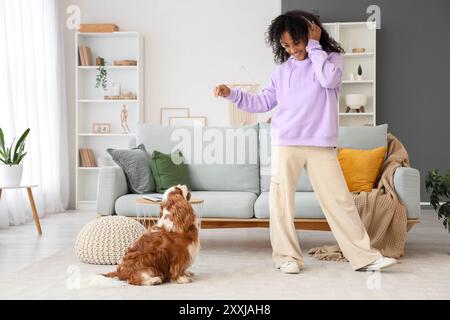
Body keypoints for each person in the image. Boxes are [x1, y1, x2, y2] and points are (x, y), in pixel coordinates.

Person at [214, 10, 396, 274]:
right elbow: (263, 102)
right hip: (286, 141)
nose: (292, 50)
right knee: (281, 201)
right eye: (286, 46)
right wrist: (232, 94)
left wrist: (313, 47)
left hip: (321, 144)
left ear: (310, 35)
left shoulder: (330, 60)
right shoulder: (282, 72)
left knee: (339, 201)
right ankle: (287, 257)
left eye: (296, 43)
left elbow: (329, 79)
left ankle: (364, 257)